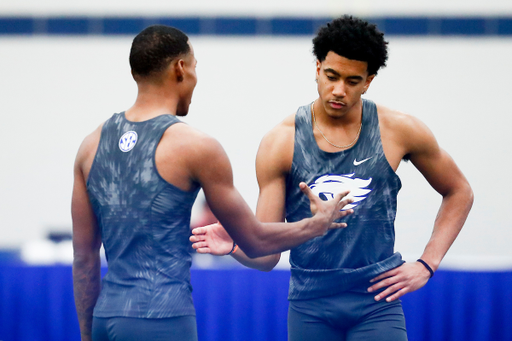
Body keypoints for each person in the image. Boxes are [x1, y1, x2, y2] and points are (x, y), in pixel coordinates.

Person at [190, 15, 474, 340]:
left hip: (377, 301)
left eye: (352, 81)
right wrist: (237, 246)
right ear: (317, 69)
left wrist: (427, 263)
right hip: (311, 306)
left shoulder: (399, 130)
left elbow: (459, 191)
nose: (338, 90)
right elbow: (267, 255)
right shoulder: (281, 142)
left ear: (368, 80)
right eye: (331, 76)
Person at [71, 25, 354, 341]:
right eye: (195, 67)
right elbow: (257, 241)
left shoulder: (90, 146)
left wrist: (88, 334)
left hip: (105, 318)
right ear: (181, 69)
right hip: (161, 319)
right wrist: (316, 224)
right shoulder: (195, 146)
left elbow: (84, 258)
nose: (194, 78)